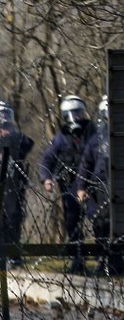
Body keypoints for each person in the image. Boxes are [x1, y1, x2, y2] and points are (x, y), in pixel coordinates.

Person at [41, 95, 97, 273]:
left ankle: (105, 257)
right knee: (72, 222)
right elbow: (47, 159)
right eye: (71, 114)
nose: (76, 118)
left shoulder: (93, 132)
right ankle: (77, 259)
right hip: (70, 185)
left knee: (98, 219)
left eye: (79, 113)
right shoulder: (61, 137)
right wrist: (47, 178)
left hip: (93, 183)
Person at [0, 102, 35, 267]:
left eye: (6, 114)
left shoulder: (16, 137)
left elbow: (28, 144)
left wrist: (10, 135)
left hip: (13, 187)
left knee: (13, 219)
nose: (3, 118)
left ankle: (14, 255)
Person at [74, 96, 118, 274]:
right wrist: (81, 187)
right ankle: (103, 259)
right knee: (101, 224)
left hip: (118, 186)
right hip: (100, 187)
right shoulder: (97, 137)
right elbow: (86, 163)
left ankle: (116, 259)